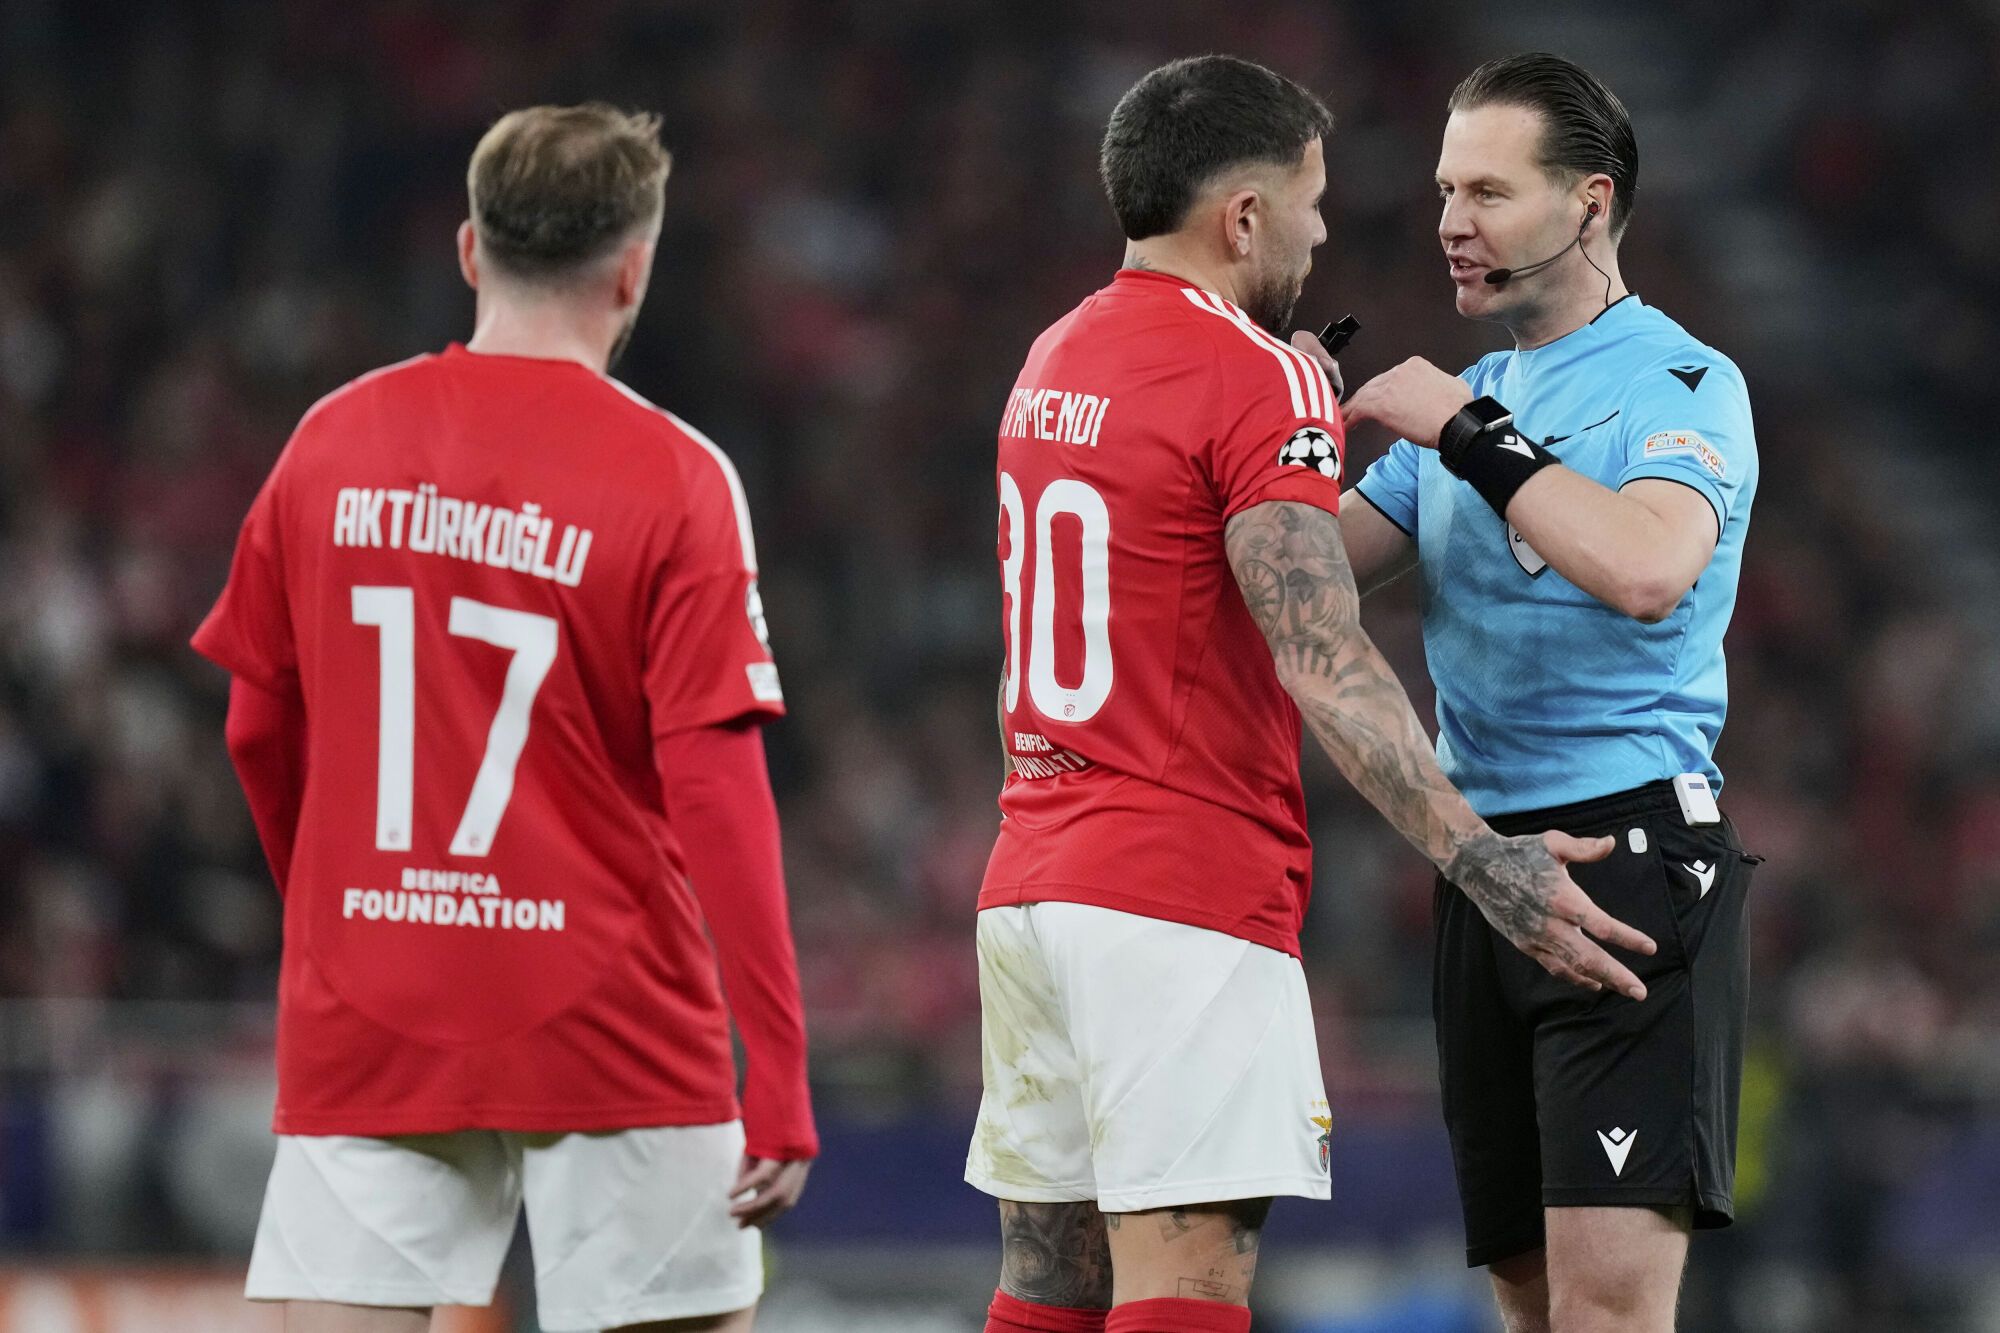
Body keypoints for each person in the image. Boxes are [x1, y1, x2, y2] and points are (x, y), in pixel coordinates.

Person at [966, 55, 1656, 1333]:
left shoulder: (1052, 355)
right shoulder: (1257, 375)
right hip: (1177, 891)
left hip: (1030, 884)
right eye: (1311, 201)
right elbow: (1320, 651)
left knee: (1049, 1282)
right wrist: (1474, 856)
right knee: (1185, 1285)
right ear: (1242, 217)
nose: (1323, 230)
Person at [192, 104, 814, 1333]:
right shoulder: (677, 477)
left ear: (470, 249)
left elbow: (255, 730)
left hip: (373, 998)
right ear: (633, 268)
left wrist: (339, 919)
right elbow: (716, 790)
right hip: (615, 1012)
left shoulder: (328, 441)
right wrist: (781, 1072)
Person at [1320, 53, 1762, 1333]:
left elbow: (1644, 568)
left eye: (1489, 192)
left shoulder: (1679, 383)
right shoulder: (1487, 396)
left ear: (1588, 202)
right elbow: (1307, 582)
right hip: (1484, 868)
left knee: (1606, 1315)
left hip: (1629, 862)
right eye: (1445, 189)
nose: (1451, 221)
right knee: (1525, 1311)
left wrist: (1464, 434)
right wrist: (1268, 423)